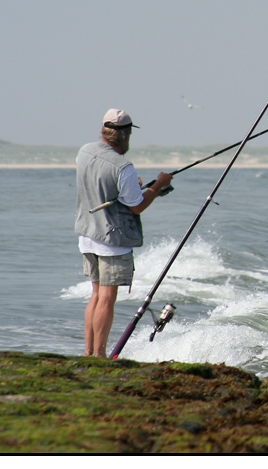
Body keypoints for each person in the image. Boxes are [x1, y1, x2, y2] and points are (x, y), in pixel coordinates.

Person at [74, 108, 172, 357]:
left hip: (87, 235)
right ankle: (99, 355)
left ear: (103, 131)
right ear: (126, 135)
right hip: (112, 239)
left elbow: (106, 188)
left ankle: (88, 353)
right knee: (107, 298)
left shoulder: (84, 152)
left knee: (95, 295)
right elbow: (137, 206)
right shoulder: (123, 166)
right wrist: (159, 185)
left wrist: (136, 189)